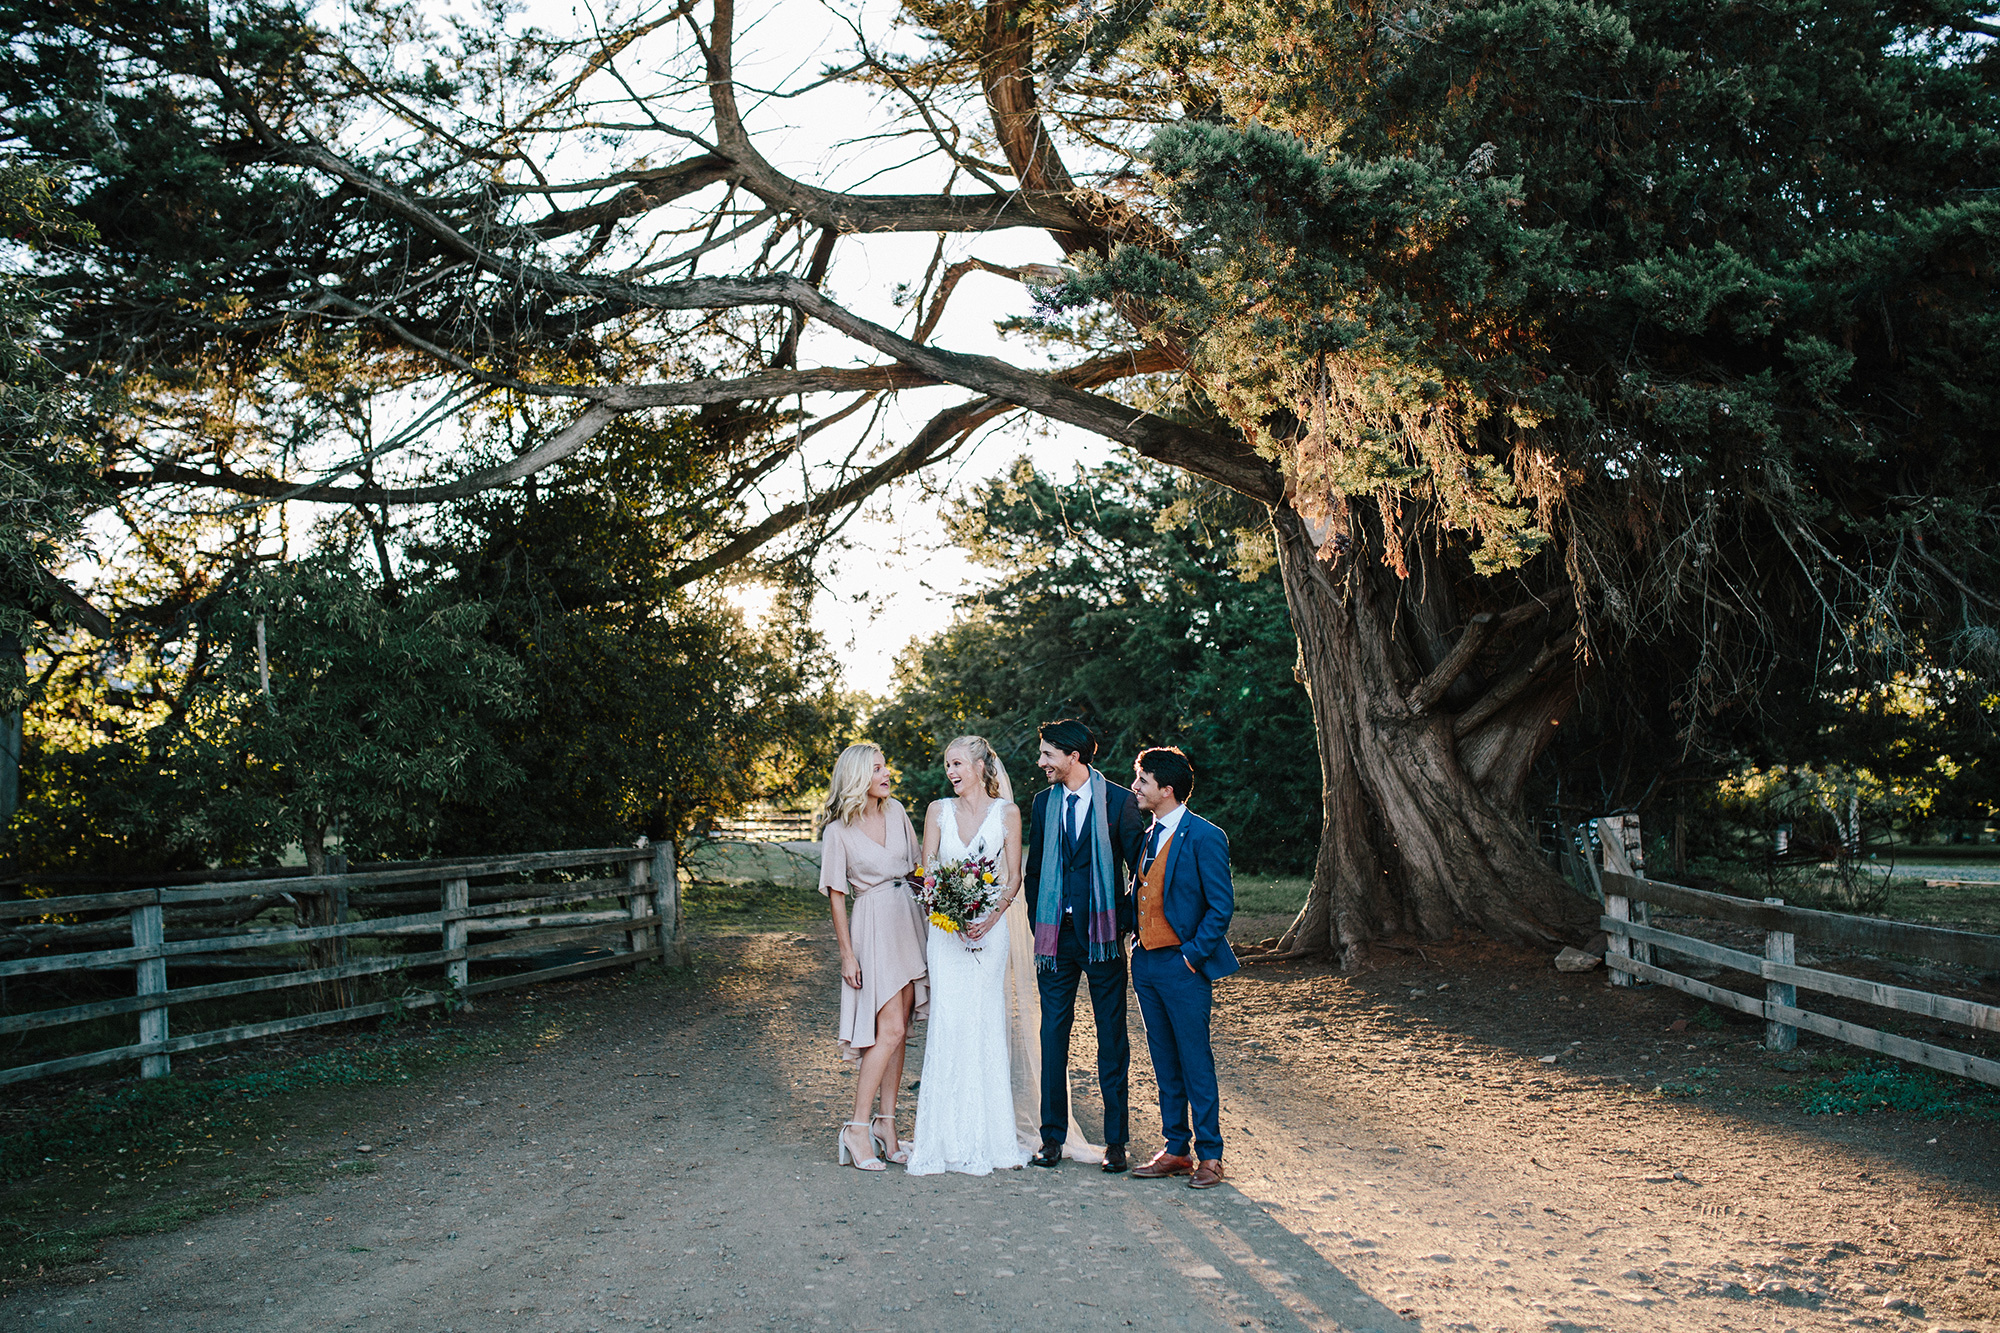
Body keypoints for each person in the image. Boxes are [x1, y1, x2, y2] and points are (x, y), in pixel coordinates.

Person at [1021, 717, 1146, 1172]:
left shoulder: (1118, 801)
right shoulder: (1042, 804)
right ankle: (1051, 1138)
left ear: (1074, 756)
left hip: (1104, 941)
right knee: (1052, 1035)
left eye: (1048, 754)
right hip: (1056, 940)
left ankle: (1115, 1143)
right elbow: (1035, 871)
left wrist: (1124, 924)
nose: (1042, 763)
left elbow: (1138, 870)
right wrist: (1041, 923)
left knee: (1112, 1038)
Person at [906, 736, 1030, 1175]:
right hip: (946, 934)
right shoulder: (937, 811)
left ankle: (991, 1138)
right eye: (946, 766)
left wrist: (990, 918)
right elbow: (929, 870)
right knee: (949, 1021)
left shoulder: (1007, 814)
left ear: (980, 766)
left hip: (990, 933)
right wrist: (951, 913)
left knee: (984, 1021)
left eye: (957, 763)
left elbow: (1013, 878)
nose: (950, 772)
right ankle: (942, 1137)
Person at [1126, 745, 1239, 1189]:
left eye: (1142, 781)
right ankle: (1176, 1149)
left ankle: (1211, 1155)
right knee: (1163, 1059)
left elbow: (1220, 905)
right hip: (1146, 964)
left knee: (1195, 1059)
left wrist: (1193, 955)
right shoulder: (1148, 833)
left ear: (1166, 790)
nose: (1135, 787)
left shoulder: (1205, 836)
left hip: (1183, 964)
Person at [816, 743, 928, 1171]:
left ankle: (887, 1124)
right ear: (859, 776)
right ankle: (856, 1129)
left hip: (908, 919)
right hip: (873, 927)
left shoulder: (897, 811)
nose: (887, 774)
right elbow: (837, 896)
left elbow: (918, 869)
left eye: (885, 766)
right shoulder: (838, 831)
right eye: (878, 769)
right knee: (890, 1028)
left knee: (899, 1033)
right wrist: (847, 955)